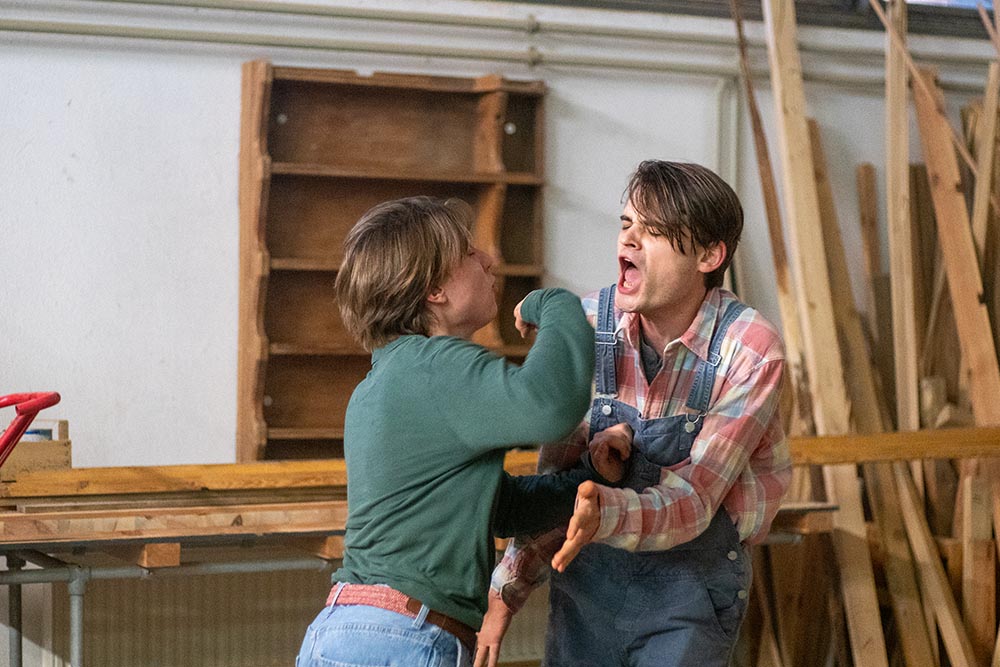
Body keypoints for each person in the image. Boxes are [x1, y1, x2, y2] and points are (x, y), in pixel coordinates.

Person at [477, 160, 792, 667]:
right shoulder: (588, 324)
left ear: (709, 255)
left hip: (689, 594)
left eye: (654, 231)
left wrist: (605, 510)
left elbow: (695, 500)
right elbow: (557, 481)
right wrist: (506, 590)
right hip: (586, 591)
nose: (628, 240)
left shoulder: (749, 350)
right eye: (626, 223)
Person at [295, 196, 627, 667]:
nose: (488, 260)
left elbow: (498, 509)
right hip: (401, 637)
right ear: (434, 288)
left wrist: (590, 476)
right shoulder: (436, 366)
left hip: (352, 630)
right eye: (470, 253)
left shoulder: (383, 383)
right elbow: (551, 404)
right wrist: (555, 303)